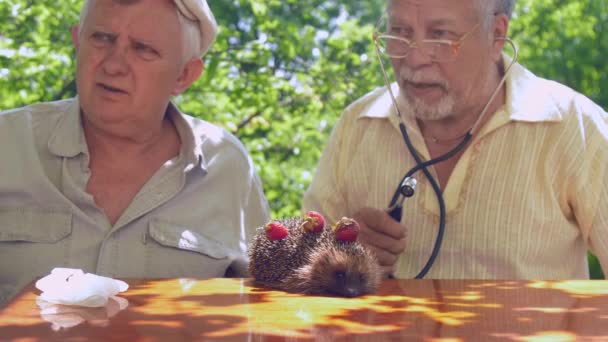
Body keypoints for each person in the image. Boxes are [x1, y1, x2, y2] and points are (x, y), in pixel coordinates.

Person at [303, 0, 608, 279]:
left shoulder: (572, 126)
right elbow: (295, 269)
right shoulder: (356, 126)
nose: (415, 58)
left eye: (440, 35)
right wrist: (338, 252)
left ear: (497, 35)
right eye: (399, 31)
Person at [0, 0, 270, 306]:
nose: (113, 64)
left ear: (184, 75)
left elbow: (261, 311)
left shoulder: (227, 167)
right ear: (78, 41)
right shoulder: (7, 144)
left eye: (143, 48)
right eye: (102, 38)